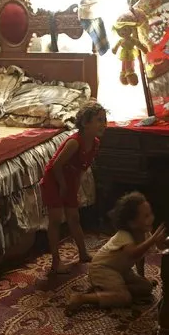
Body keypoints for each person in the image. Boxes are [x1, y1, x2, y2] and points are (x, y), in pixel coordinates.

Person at [67, 192, 166, 314]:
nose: (151, 218)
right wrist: (152, 240)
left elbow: (141, 257)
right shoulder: (124, 235)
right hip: (102, 269)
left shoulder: (144, 234)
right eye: (146, 216)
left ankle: (107, 290)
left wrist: (141, 276)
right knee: (124, 298)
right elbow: (133, 254)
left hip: (121, 270)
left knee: (147, 287)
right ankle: (82, 298)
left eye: (150, 214)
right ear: (132, 223)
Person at [41, 101, 107, 274]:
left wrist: (74, 189)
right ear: (85, 123)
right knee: (55, 219)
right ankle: (55, 261)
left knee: (74, 217)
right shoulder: (74, 143)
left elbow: (81, 169)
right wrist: (62, 186)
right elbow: (56, 166)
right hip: (55, 179)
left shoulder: (95, 143)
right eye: (99, 120)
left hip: (69, 180)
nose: (104, 124)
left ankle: (83, 253)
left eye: (104, 120)